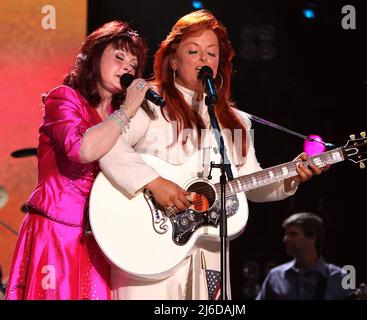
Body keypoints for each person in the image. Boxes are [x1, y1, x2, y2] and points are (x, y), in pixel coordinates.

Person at [99, 9, 329, 300]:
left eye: (212, 53)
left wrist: (290, 176)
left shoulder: (235, 121)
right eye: (193, 51)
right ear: (172, 60)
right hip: (148, 242)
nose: (204, 59)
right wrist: (154, 183)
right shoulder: (150, 104)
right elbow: (107, 145)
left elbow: (249, 182)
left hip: (207, 247)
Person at [5, 21, 152, 299]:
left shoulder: (124, 119)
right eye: (119, 57)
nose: (127, 69)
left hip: (101, 235)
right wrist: (128, 110)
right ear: (94, 58)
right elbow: (81, 150)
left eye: (133, 65)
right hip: (57, 230)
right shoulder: (64, 99)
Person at [255, 212, 367, 300]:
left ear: (312, 237)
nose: (286, 239)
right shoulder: (275, 276)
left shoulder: (340, 277)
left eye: (293, 234)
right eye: (286, 234)